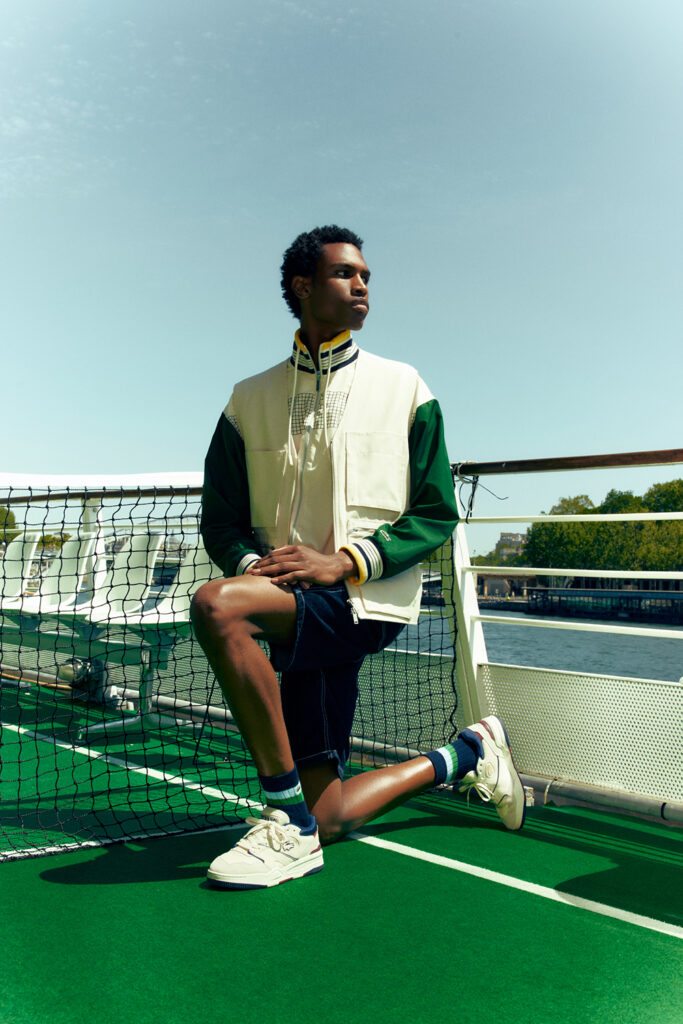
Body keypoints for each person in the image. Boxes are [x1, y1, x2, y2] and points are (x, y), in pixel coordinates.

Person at [191, 225, 525, 890]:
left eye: (365, 275)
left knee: (217, 607)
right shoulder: (247, 399)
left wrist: (342, 562)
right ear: (303, 286)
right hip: (287, 606)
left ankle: (286, 825)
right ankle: (468, 752)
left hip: (363, 602)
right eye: (345, 273)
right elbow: (220, 521)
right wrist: (254, 567)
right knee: (333, 814)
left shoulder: (405, 387)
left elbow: (435, 511)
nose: (362, 285)